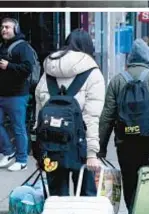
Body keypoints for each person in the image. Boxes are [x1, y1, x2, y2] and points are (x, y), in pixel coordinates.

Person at [98, 39, 149, 211]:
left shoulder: (117, 80)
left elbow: (107, 117)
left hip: (124, 141)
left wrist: (101, 147)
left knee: (130, 180)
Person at [35, 29, 105, 196]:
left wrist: (39, 152)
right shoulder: (93, 74)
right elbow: (91, 117)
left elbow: (39, 114)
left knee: (57, 197)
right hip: (80, 146)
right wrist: (92, 153)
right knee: (86, 196)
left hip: (51, 145)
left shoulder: (48, 71)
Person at [0, 17, 34, 171]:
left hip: (17, 95)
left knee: (18, 127)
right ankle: (8, 151)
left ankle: (22, 160)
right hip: (2, 93)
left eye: (7, 27)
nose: (4, 30)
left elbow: (27, 68)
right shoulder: (2, 46)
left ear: (16, 29)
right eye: (2, 27)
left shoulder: (23, 47)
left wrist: (9, 66)